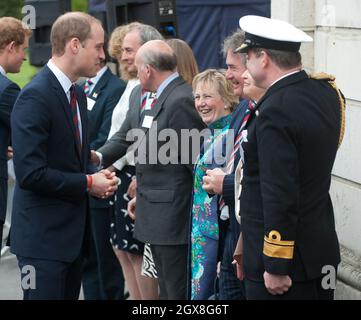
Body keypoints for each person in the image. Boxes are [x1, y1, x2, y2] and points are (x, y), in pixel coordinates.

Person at [235, 15, 345, 300]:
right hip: (321, 251)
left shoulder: (275, 110)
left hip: (288, 264)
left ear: (264, 58)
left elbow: (279, 191)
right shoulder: (327, 92)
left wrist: (275, 265)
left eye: (247, 55)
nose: (245, 63)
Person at [10, 12, 119, 300]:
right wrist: (87, 183)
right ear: (74, 45)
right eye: (97, 46)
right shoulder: (36, 95)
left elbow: (69, 159)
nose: (103, 55)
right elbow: (30, 173)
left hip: (70, 241)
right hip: (42, 244)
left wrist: (96, 173)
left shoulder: (76, 94)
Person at [94, 40, 206, 299]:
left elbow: (195, 166)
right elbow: (128, 137)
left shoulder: (180, 100)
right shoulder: (146, 95)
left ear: (148, 70)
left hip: (174, 219)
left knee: (174, 292)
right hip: (153, 212)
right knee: (165, 289)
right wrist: (96, 156)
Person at [106, 22, 163, 300]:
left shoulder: (154, 91)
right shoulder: (133, 87)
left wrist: (112, 165)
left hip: (134, 175)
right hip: (122, 175)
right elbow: (121, 134)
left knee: (138, 251)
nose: (124, 56)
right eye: (123, 51)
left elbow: (145, 139)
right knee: (122, 248)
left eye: (130, 50)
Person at [201, 30, 249, 300]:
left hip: (252, 239)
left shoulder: (263, 111)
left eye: (232, 67)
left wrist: (226, 184)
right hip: (231, 234)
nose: (227, 74)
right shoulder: (244, 110)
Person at [81, 45, 126, 300]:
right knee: (88, 259)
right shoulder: (79, 88)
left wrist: (82, 159)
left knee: (106, 262)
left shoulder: (115, 87)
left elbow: (107, 136)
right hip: (84, 184)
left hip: (101, 183)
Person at [190, 69, 238, 300]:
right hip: (205, 239)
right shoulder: (213, 134)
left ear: (228, 98)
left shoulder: (230, 135)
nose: (201, 103)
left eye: (207, 96)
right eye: (197, 97)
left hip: (220, 241)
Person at [0, 17, 32, 255]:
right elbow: (29, 135)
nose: (25, 57)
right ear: (10, 46)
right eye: (23, 49)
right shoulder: (6, 89)